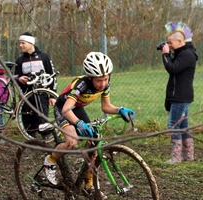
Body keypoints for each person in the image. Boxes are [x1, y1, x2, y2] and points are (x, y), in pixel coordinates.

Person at [43, 52, 135, 194]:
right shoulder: (81, 85)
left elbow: (106, 107)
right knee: (72, 141)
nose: (103, 84)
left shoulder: (105, 85)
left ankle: (88, 183)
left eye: (105, 79)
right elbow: (66, 109)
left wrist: (120, 110)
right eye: (98, 81)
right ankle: (50, 161)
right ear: (89, 77)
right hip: (63, 109)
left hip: (77, 109)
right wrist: (79, 124)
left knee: (93, 143)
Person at [161, 22, 198, 163]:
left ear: (180, 41)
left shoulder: (187, 55)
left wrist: (165, 55)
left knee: (174, 124)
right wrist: (169, 53)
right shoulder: (182, 53)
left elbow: (172, 68)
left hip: (181, 96)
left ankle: (176, 157)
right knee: (183, 126)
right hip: (180, 95)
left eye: (171, 43)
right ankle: (188, 156)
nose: (169, 45)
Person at [14, 32, 57, 138]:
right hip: (26, 95)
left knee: (42, 119)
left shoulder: (44, 57)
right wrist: (20, 79)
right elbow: (16, 77)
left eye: (23, 43)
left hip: (41, 94)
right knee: (28, 121)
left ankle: (46, 140)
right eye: (19, 43)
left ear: (30, 43)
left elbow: (52, 76)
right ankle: (32, 141)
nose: (20, 45)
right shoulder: (20, 60)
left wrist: (52, 95)